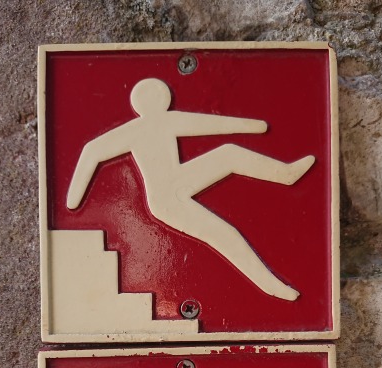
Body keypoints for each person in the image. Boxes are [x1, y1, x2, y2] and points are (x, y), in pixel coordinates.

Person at [67, 78, 315, 301]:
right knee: (225, 233)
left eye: (159, 95)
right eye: (152, 97)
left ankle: (286, 174)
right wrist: (73, 200)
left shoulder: (170, 120)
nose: (158, 100)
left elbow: (212, 124)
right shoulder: (133, 131)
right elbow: (92, 151)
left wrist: (257, 125)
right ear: (141, 103)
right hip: (166, 198)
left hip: (180, 180)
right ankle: (271, 286)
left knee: (228, 153)